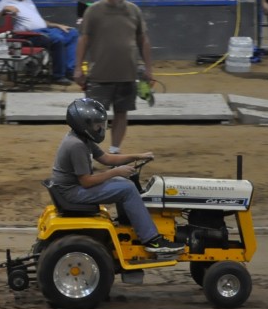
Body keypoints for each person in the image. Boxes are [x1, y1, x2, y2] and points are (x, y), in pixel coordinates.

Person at [51, 97, 184, 255]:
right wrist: (115, 171)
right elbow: (86, 182)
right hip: (73, 192)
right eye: (97, 124)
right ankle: (152, 240)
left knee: (122, 182)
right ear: (84, 124)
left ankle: (130, 222)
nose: (100, 127)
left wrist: (138, 156)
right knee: (126, 188)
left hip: (73, 188)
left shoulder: (81, 138)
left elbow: (107, 158)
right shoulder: (76, 145)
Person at [74, 0, 153, 154]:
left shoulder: (134, 11)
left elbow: (143, 40)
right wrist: (78, 67)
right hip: (100, 74)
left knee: (121, 113)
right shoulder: (93, 11)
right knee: (93, 116)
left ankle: (115, 150)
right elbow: (83, 40)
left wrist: (148, 68)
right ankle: (88, 151)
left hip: (127, 74)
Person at [0, 0, 77, 85]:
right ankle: (58, 75)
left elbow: (40, 21)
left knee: (73, 33)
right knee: (57, 39)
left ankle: (69, 71)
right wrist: (3, 11)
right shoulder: (6, 1)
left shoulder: (28, 1)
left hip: (43, 31)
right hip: (26, 36)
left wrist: (57, 25)